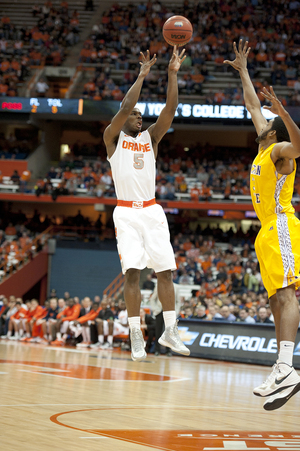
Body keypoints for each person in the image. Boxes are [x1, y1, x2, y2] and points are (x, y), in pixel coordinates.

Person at [224, 39, 300, 411]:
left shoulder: (280, 151)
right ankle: (283, 368)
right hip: (267, 230)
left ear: (274, 132)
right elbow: (253, 104)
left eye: (269, 123)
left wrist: (285, 113)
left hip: (282, 224)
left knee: (286, 294)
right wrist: (243, 71)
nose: (263, 120)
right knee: (274, 299)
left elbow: (298, 147)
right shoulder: (263, 147)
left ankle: (287, 366)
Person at [104, 47, 190, 361]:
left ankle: (170, 329)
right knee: (132, 273)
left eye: (142, 115)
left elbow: (171, 107)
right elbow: (127, 104)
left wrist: (171, 74)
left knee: (166, 271)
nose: (139, 118)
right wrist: (142, 74)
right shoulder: (113, 138)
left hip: (152, 210)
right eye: (135, 115)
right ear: (124, 118)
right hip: (125, 212)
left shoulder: (151, 138)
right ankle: (135, 333)